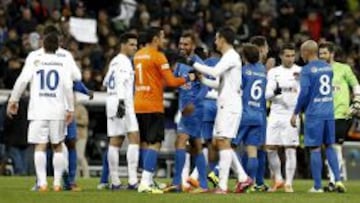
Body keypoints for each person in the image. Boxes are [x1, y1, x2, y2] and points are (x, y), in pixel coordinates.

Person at [7, 31, 74, 192]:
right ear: (58, 47)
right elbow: (67, 86)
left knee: (40, 146)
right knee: (57, 146)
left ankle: (42, 183)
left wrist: (13, 100)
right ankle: (57, 183)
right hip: (57, 110)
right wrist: (70, 108)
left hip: (38, 110)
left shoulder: (34, 59)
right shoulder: (63, 62)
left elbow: (22, 80)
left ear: (43, 45)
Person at [133, 27, 195, 194]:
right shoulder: (158, 56)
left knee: (145, 141)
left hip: (138, 102)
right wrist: (189, 77)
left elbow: (155, 79)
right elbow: (172, 82)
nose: (164, 40)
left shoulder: (138, 55)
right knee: (156, 143)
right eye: (161, 37)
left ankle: (148, 179)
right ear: (155, 38)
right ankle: (145, 182)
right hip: (152, 104)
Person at [190, 27, 243, 194]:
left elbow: (214, 71)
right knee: (219, 142)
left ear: (222, 40)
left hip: (230, 105)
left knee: (222, 142)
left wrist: (193, 62)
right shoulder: (227, 57)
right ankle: (242, 178)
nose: (214, 42)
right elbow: (219, 84)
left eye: (216, 38)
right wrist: (203, 79)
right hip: (225, 104)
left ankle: (223, 186)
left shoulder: (231, 56)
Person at [290, 40, 346, 193]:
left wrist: (296, 111)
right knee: (330, 146)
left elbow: (305, 93)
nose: (301, 55)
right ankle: (338, 181)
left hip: (314, 113)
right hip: (329, 112)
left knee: (314, 148)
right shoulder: (328, 68)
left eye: (302, 52)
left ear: (306, 53)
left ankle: (317, 186)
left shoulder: (307, 70)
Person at [163, 32, 208, 193]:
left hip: (194, 110)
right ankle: (203, 184)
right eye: (181, 44)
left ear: (193, 46)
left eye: (186, 44)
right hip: (185, 109)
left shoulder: (198, 63)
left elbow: (205, 87)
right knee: (196, 146)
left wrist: (193, 105)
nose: (182, 47)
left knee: (180, 141)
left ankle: (177, 182)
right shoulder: (181, 64)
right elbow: (174, 81)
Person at [318, 41, 360, 191]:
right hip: (322, 114)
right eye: (320, 53)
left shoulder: (343, 69)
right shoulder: (317, 70)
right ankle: (333, 180)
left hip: (340, 114)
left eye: (324, 53)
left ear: (332, 54)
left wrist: (357, 101)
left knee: (335, 147)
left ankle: (336, 180)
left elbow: (355, 84)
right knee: (326, 148)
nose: (322, 56)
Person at [103, 32, 140, 190]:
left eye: (135, 45)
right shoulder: (124, 62)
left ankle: (116, 181)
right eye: (131, 44)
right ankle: (132, 180)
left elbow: (106, 81)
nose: (134, 48)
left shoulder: (114, 62)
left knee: (115, 141)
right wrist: (121, 102)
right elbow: (119, 82)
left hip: (111, 101)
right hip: (122, 102)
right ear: (123, 45)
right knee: (134, 137)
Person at [265, 43, 301, 192]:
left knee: (290, 149)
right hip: (275, 113)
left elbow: (303, 94)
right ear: (281, 56)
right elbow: (266, 95)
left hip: (292, 114)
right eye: (287, 56)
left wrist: (297, 112)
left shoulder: (300, 71)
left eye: (293, 56)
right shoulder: (273, 72)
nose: (290, 59)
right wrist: (276, 92)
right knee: (270, 148)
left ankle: (289, 183)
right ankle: (279, 179)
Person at [231, 43, 266, 193]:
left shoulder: (243, 72)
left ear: (244, 57)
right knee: (252, 151)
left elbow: (237, 91)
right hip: (258, 115)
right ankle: (250, 184)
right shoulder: (263, 70)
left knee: (228, 147)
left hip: (244, 114)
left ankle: (218, 174)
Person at [249, 36, 270, 191]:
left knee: (259, 147)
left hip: (252, 110)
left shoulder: (248, 67)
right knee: (254, 147)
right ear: (261, 49)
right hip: (258, 111)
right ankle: (252, 181)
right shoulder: (261, 69)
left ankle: (258, 181)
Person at [75, 102, 89, 179]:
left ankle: (86, 176)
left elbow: (85, 121)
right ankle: (76, 176)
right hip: (73, 136)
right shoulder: (68, 107)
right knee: (74, 157)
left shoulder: (81, 108)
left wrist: (74, 120)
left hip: (81, 136)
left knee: (80, 156)